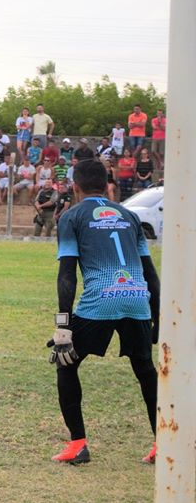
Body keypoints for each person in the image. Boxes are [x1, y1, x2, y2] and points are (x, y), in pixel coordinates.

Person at [49, 159, 161, 465]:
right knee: (146, 371)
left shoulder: (72, 217)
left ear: (75, 186)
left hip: (102, 300)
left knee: (66, 364)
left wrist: (63, 325)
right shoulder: (129, 216)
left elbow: (67, 276)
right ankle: (163, 442)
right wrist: (158, 316)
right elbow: (150, 273)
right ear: (108, 184)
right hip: (138, 297)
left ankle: (78, 445)